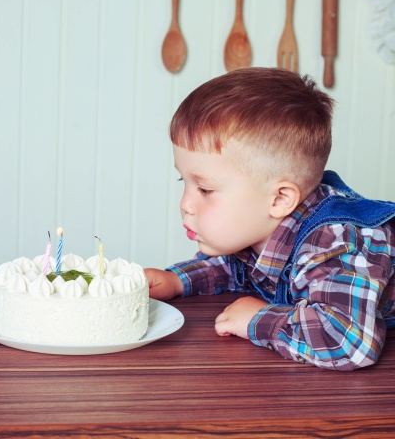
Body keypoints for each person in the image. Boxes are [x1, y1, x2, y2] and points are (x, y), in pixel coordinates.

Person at [144, 67, 395, 371]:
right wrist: (177, 281)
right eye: (182, 181)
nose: (186, 204)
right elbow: (235, 267)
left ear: (279, 199)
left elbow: (348, 342)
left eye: (206, 189)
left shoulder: (333, 242)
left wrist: (258, 319)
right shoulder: (260, 230)